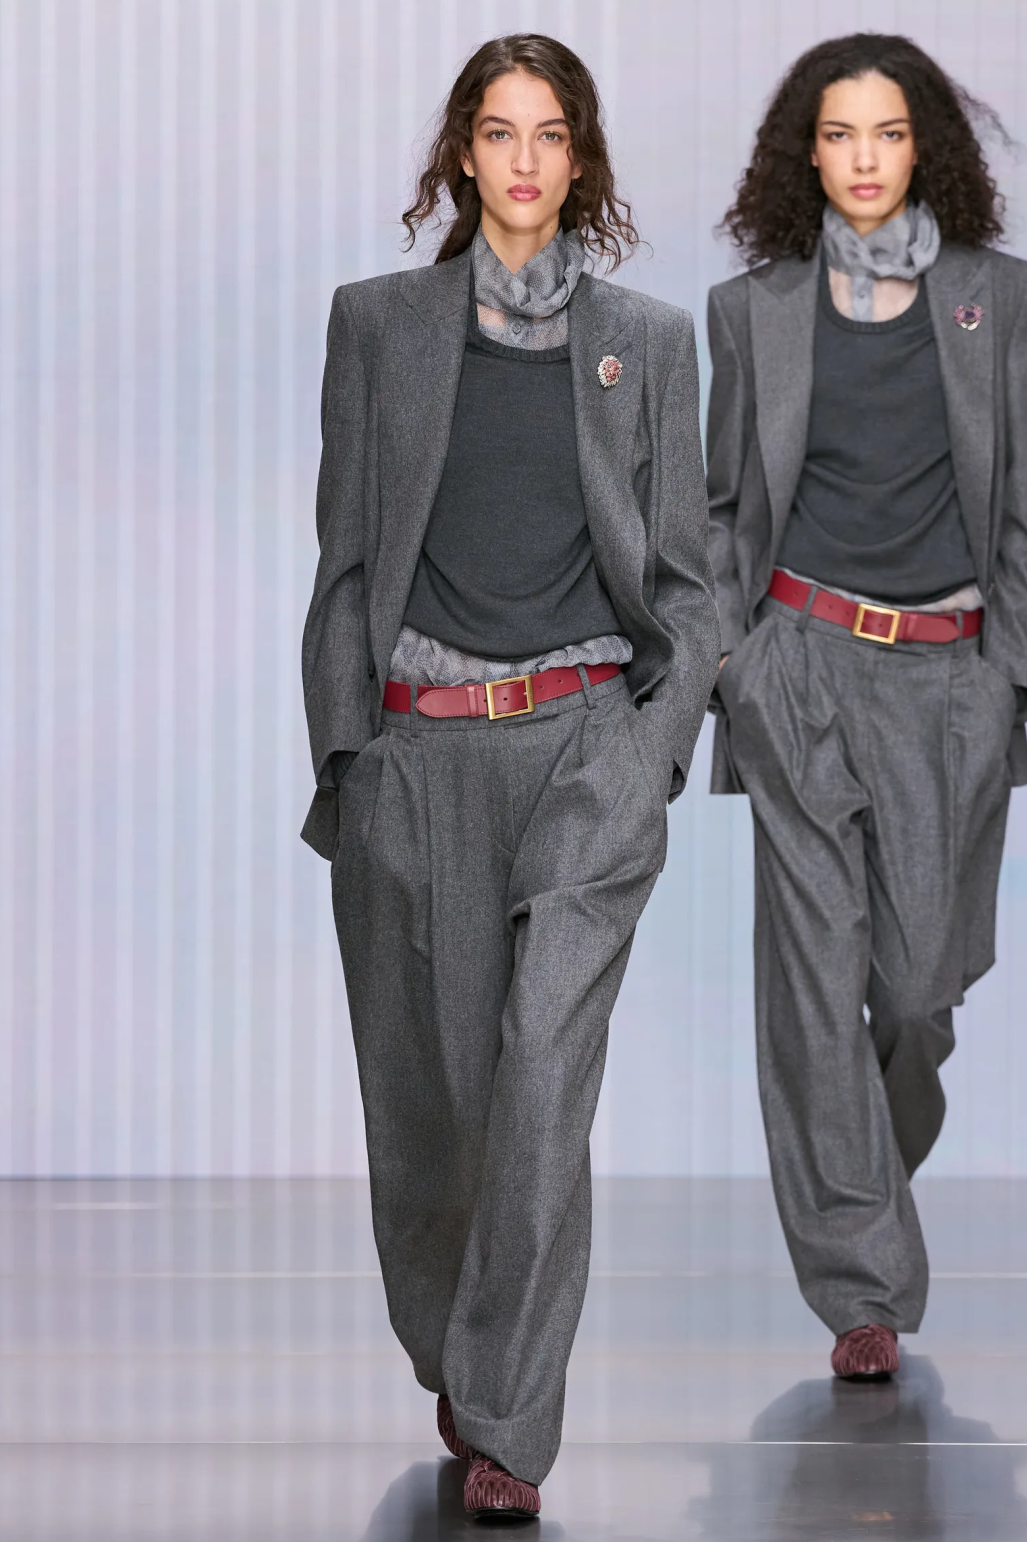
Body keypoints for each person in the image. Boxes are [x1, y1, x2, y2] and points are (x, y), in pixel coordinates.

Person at [301, 33, 719, 1519]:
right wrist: (349, 757)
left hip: (586, 748)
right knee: (431, 1111)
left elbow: (689, 578)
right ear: (462, 155)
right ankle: (459, 1349)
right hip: (417, 753)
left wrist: (654, 753)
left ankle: (507, 1422)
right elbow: (346, 561)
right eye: (498, 131)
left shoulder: (649, 343)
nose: (525, 159)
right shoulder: (378, 325)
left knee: (542, 1072)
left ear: (580, 158)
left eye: (550, 133)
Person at [706, 33, 1027, 1381]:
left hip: (952, 680)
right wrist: (735, 664)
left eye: (887, 132)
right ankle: (861, 1289)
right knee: (814, 980)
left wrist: (1008, 675)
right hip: (800, 665)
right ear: (806, 153)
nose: (862, 158)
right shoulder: (753, 311)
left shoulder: (999, 300)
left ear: (923, 146)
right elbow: (723, 503)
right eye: (837, 134)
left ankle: (858, 1177)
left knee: (916, 985)